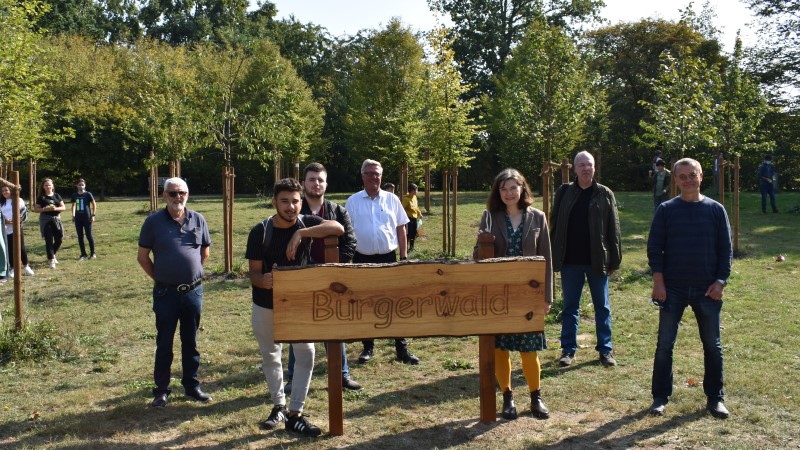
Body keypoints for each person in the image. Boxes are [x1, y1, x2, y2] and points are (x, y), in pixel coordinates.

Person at [246, 178, 344, 437]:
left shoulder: (305, 223)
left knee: (306, 354)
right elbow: (253, 273)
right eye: (285, 201)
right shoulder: (260, 231)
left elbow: (338, 228)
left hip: (299, 304)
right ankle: (278, 406)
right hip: (266, 304)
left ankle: (295, 413)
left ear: (302, 202)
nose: (290, 207)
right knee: (271, 355)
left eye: (295, 201)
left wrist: (301, 234)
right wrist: (264, 280)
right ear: (274, 202)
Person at [647, 158, 732, 419]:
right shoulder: (666, 210)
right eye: (682, 176)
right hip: (672, 289)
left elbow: (726, 250)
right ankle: (660, 398)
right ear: (675, 180)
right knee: (664, 345)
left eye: (692, 175)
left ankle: (715, 398)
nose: (688, 180)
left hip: (708, 290)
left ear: (701, 176)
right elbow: (654, 248)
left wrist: (720, 282)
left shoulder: (716, 210)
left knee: (712, 345)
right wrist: (659, 282)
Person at [473, 168, 552, 420]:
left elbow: (547, 259)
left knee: (529, 349)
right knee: (501, 348)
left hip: (529, 294)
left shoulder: (538, 217)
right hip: (498, 294)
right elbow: (477, 258)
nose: (509, 193)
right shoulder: (490, 217)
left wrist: (547, 296)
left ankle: (536, 396)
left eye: (513, 188)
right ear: (498, 192)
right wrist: (481, 242)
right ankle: (507, 396)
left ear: (522, 189)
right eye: (503, 189)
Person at [284, 163, 362, 395]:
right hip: (303, 277)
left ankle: (342, 375)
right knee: (300, 329)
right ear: (303, 183)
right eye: (311, 179)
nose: (316, 183)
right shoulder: (294, 209)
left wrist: (335, 268)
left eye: (320, 180)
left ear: (326, 184)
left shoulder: (338, 211)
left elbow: (350, 241)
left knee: (334, 327)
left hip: (332, 279)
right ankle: (293, 377)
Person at [137, 178, 212, 408]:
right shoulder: (153, 222)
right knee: (164, 342)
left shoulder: (198, 219)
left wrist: (190, 275)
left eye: (182, 193)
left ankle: (192, 386)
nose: (178, 197)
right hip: (165, 294)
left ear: (187, 195)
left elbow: (205, 252)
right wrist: (161, 278)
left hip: (193, 293)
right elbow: (143, 257)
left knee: (191, 341)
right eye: (173, 193)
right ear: (164, 196)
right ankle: (161, 390)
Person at [550, 151, 622, 367]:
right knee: (570, 307)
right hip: (570, 261)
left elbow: (614, 228)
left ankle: (605, 351)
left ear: (594, 167)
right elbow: (554, 223)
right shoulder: (564, 192)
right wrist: (553, 254)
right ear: (574, 168)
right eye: (581, 164)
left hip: (597, 260)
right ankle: (568, 350)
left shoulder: (604, 193)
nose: (585, 168)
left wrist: (614, 260)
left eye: (588, 164)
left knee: (602, 307)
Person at [346, 159, 420, 365]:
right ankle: (368, 347)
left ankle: (401, 349)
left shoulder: (392, 199)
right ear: (363, 176)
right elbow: (347, 233)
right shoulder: (353, 201)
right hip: (362, 259)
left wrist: (404, 257)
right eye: (370, 173)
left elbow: (401, 228)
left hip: (389, 258)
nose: (374, 177)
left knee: (395, 303)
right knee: (366, 303)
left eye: (377, 174)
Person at [1, 186, 34, 278]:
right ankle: (13, 268)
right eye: (3, 191)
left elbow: (24, 212)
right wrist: (4, 221)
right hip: (5, 228)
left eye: (6, 190)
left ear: (11, 191)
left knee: (21, 247)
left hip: (17, 227)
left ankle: (26, 266)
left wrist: (16, 219)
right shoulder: (1, 202)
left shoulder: (18, 200)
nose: (4, 192)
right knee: (9, 249)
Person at [33, 178, 66, 269]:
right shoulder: (41, 197)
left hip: (56, 219)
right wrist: (44, 209)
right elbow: (36, 209)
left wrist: (55, 208)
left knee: (59, 239)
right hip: (46, 220)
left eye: (49, 185)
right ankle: (51, 260)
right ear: (43, 187)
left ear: (52, 186)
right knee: (49, 240)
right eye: (46, 185)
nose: (48, 187)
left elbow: (63, 207)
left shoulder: (57, 195)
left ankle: (52, 254)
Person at [71, 178, 97, 260]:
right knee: (80, 236)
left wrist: (93, 215)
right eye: (79, 185)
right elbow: (73, 205)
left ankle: (92, 253)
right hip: (78, 218)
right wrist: (73, 215)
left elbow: (94, 204)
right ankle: (83, 254)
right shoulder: (74, 195)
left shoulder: (88, 194)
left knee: (89, 235)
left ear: (85, 185)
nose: (81, 186)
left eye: (82, 185)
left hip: (87, 218)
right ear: (77, 185)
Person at [402, 183, 423, 252]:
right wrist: (407, 214)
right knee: (408, 234)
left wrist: (419, 213)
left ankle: (411, 247)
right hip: (408, 219)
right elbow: (402, 209)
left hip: (414, 218)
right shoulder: (406, 199)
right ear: (412, 191)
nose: (417, 191)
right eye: (416, 190)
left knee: (414, 232)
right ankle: (405, 248)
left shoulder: (414, 197)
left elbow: (416, 207)